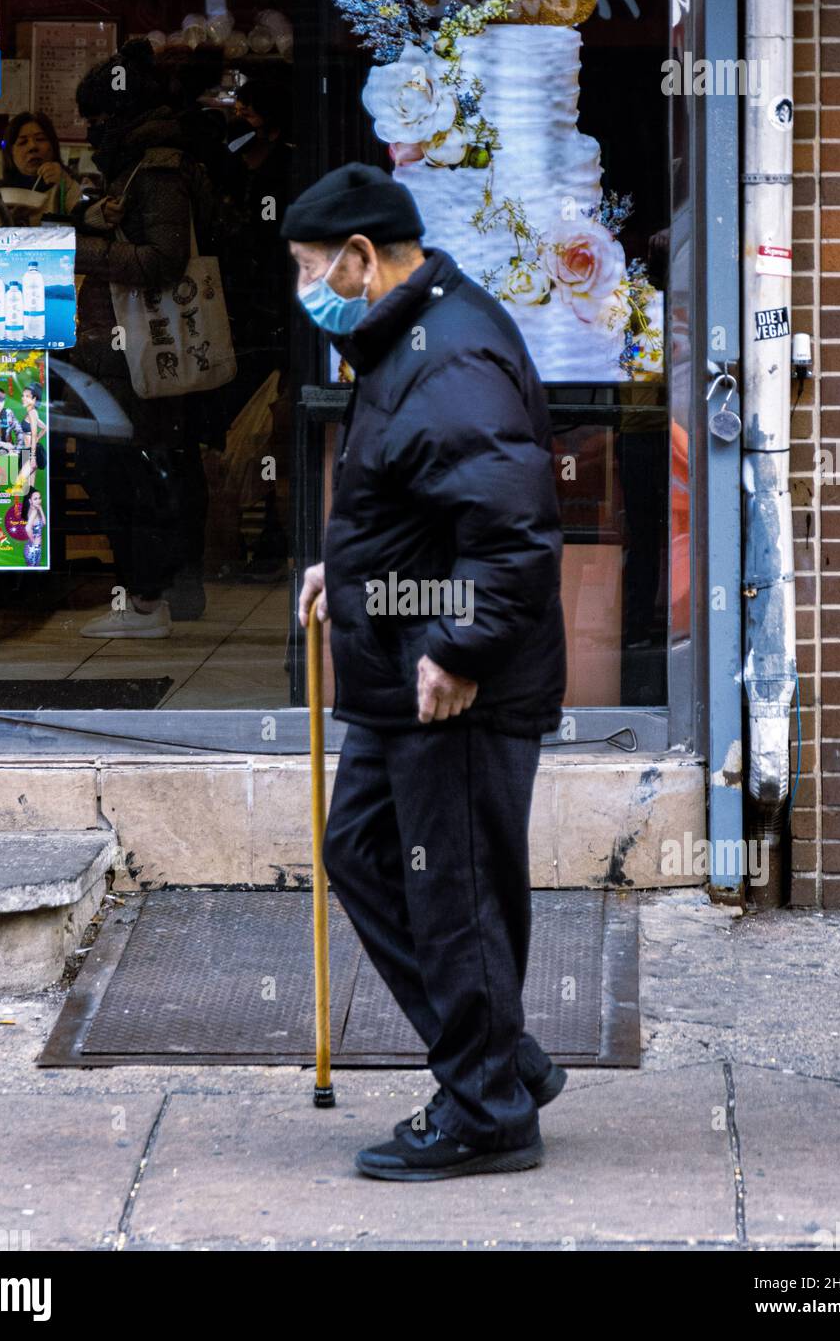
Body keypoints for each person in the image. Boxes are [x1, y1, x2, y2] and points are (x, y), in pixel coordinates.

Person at [287, 163, 568, 1182]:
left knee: (451, 891)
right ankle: (498, 1055)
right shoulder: (408, 338)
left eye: (312, 267)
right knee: (363, 853)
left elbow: (512, 534)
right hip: (401, 666)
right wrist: (351, 570)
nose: (306, 286)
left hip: (449, 681)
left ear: (362, 259)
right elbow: (427, 499)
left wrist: (455, 646)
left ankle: (486, 1109)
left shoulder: (448, 356)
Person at [68, 37, 223, 637]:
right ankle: (167, 592)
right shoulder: (148, 163)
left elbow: (163, 259)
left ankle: (146, 601)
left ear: (120, 116)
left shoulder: (156, 167)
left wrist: (79, 248)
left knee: (122, 467)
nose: (90, 131)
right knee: (145, 463)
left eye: (96, 119)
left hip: (137, 345)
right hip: (134, 344)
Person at [0, 112, 84, 221]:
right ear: (10, 153)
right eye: (23, 142)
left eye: (40, 139)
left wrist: (66, 184)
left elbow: (88, 217)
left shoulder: (73, 183)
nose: (33, 147)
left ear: (53, 146)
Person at [21, 487, 45, 567]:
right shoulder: (34, 511)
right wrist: (34, 541)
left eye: (39, 498)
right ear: (30, 501)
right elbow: (27, 528)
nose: (38, 500)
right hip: (33, 549)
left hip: (34, 548)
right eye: (35, 499)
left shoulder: (35, 509)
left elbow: (44, 523)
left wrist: (40, 509)